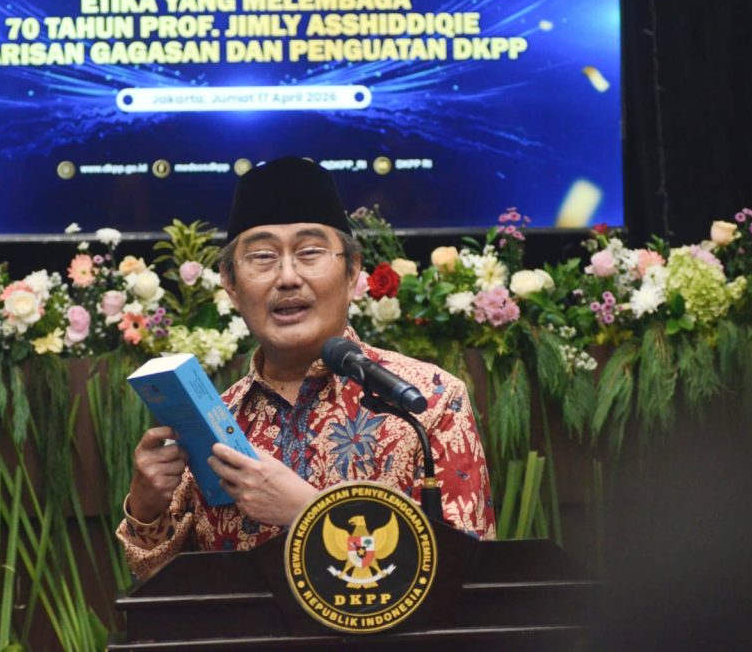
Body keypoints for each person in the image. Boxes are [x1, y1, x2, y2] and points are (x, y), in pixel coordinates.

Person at [117, 156, 495, 580]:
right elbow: (167, 591)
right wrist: (146, 508)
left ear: (352, 271)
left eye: (310, 252)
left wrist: (308, 510)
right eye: (262, 257)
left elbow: (467, 577)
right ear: (231, 284)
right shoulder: (214, 424)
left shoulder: (428, 400)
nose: (287, 277)